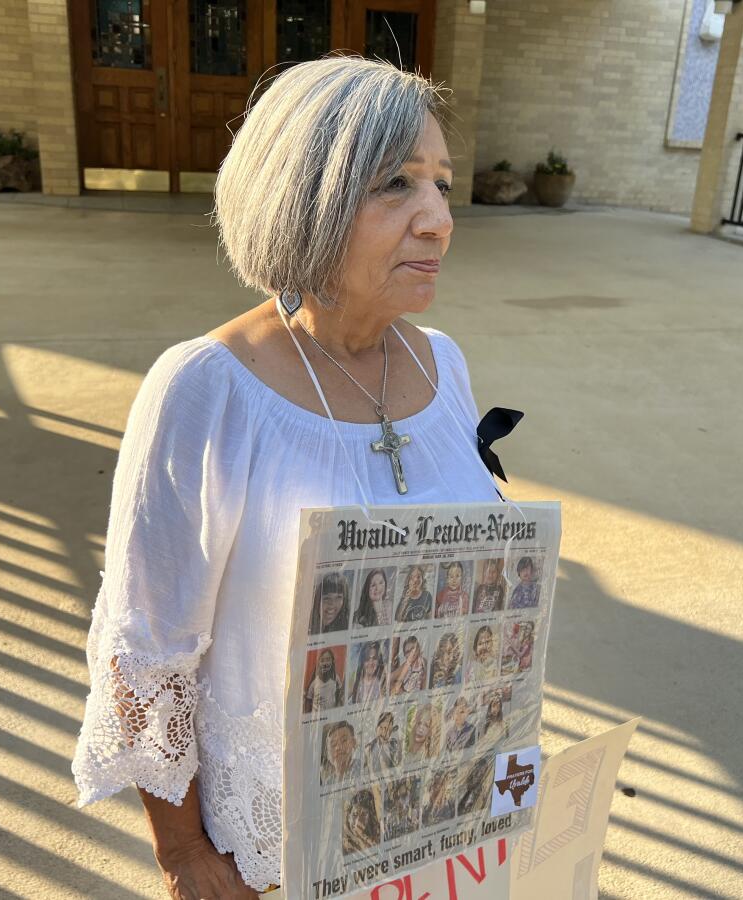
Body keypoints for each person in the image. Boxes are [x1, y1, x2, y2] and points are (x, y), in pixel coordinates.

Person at [72, 55, 508, 898]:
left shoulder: (444, 364)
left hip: (433, 818)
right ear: (303, 199)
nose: (439, 221)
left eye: (443, 186)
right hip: (275, 849)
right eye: (396, 186)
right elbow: (144, 651)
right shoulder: (207, 387)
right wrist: (186, 855)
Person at [320, 720, 361, 785]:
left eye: (344, 740)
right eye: (333, 744)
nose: (338, 748)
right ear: (328, 753)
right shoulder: (327, 783)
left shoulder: (364, 768)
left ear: (354, 743)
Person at [304, 647, 344, 713]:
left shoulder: (336, 678)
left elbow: (340, 694)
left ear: (332, 661)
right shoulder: (314, 683)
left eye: (328, 659)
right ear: (319, 663)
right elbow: (308, 701)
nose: (325, 663)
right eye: (322, 660)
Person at [343, 789, 382, 855]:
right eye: (355, 814)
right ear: (349, 816)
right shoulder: (344, 846)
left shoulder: (375, 839)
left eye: (364, 815)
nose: (358, 821)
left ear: (370, 818)